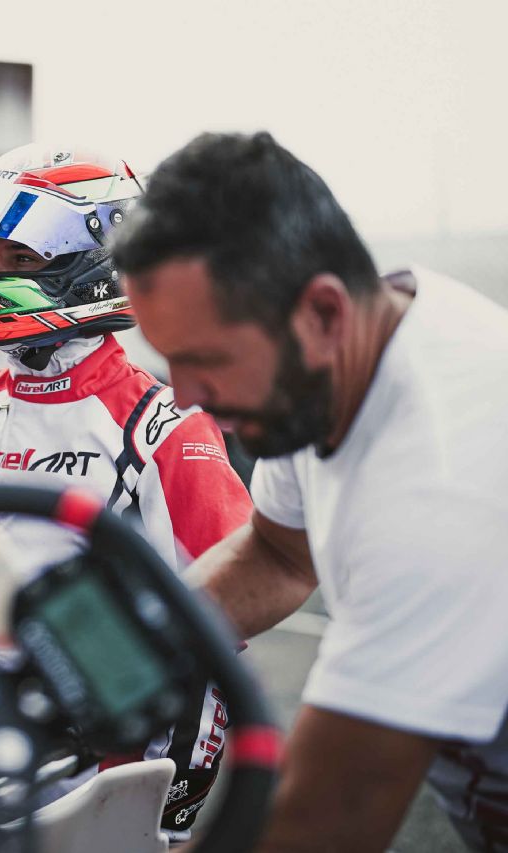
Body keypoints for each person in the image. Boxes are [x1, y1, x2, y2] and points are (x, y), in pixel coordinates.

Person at [112, 130, 508, 851]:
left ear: (324, 314)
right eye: (169, 360)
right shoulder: (338, 359)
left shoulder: (441, 489)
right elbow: (277, 554)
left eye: (205, 360)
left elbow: (321, 822)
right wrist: (116, 657)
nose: (186, 396)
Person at [0, 144, 252, 835]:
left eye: (19, 258)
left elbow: (220, 627)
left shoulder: (161, 426)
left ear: (95, 265)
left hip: (100, 780)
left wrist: (172, 808)